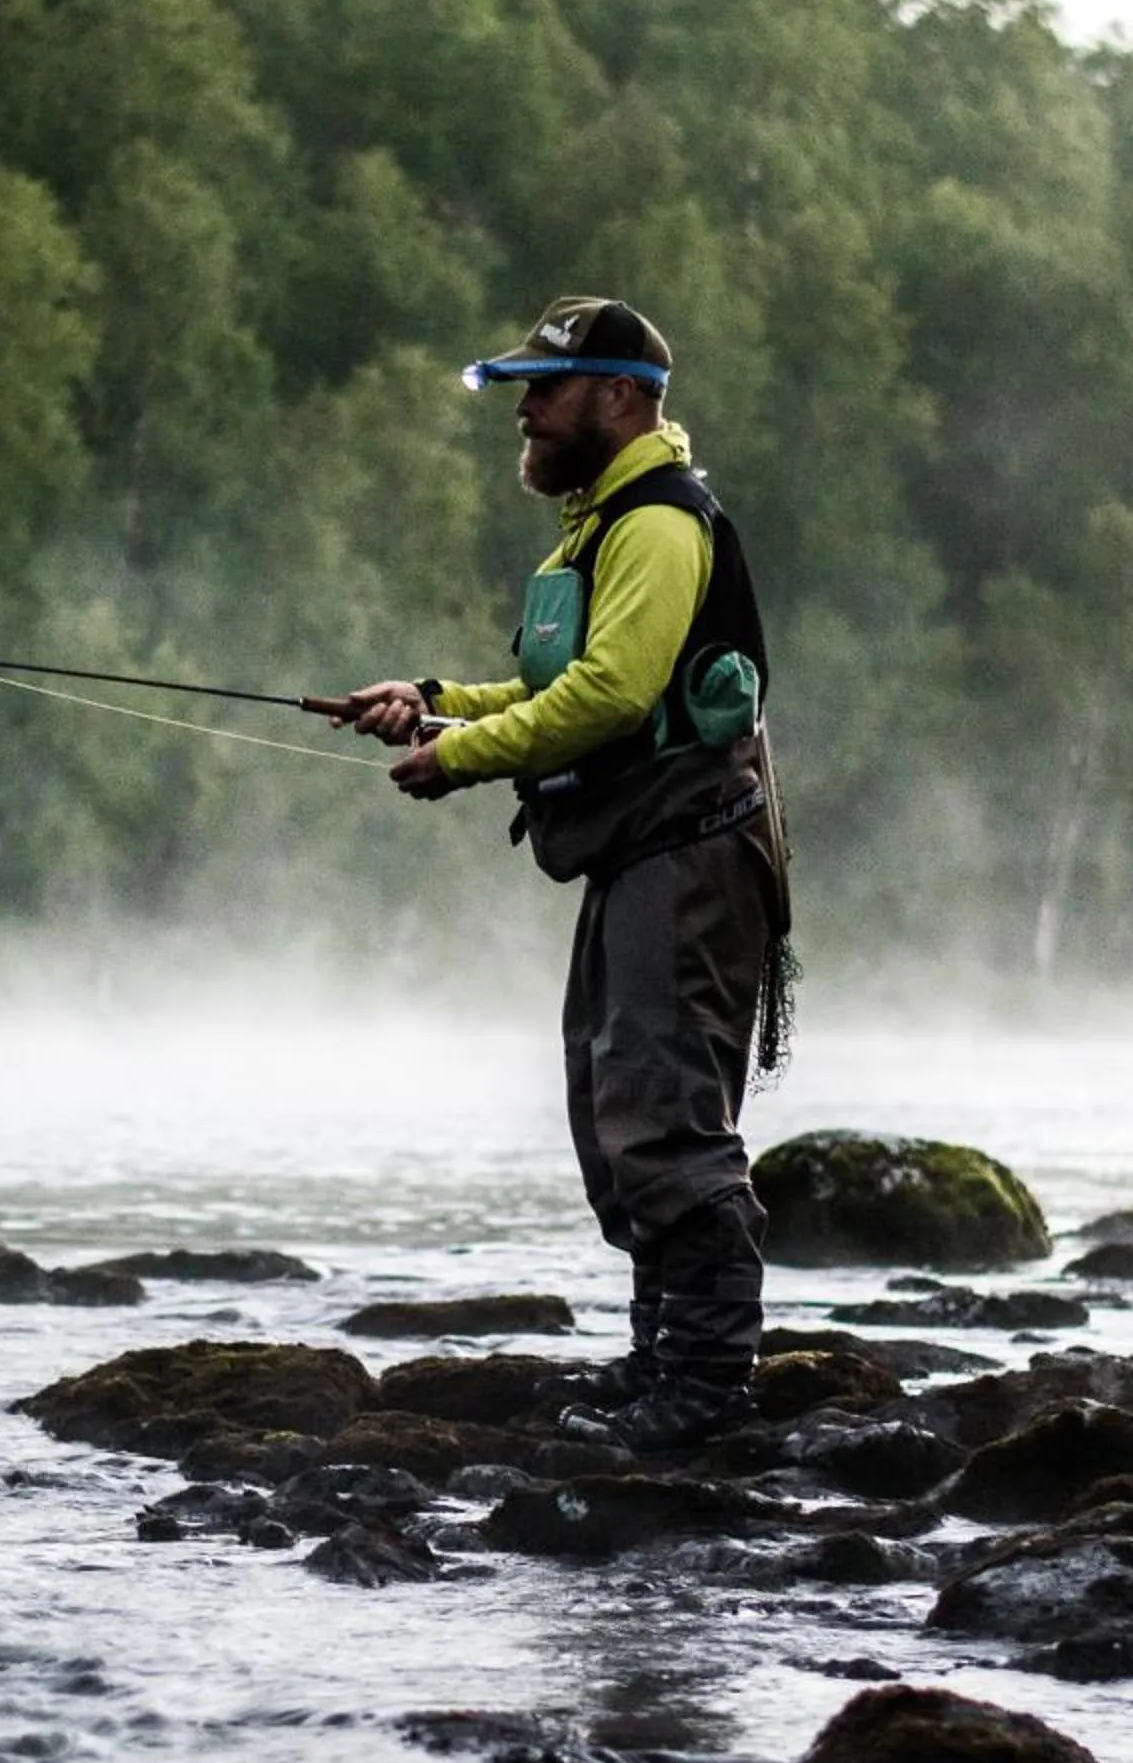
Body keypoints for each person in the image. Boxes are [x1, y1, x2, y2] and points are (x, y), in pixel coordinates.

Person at [336, 295, 793, 1451]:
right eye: (522, 389)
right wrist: (432, 703)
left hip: (690, 859)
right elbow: (563, 690)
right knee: (616, 1113)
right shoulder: (604, 524)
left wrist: (464, 760)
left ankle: (704, 1392)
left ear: (623, 397)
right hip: (644, 856)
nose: (525, 409)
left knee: (667, 1120)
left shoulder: (657, 525)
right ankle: (659, 1371)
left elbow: (611, 698)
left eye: (546, 388)